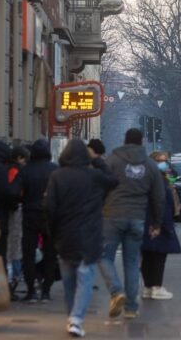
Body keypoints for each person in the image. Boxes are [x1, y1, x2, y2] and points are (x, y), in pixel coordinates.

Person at [45, 139, 118, 338]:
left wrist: (53, 233)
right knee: (85, 279)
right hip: (89, 236)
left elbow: (50, 208)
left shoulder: (57, 176)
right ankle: (76, 319)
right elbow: (113, 180)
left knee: (69, 281)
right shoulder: (93, 176)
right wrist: (98, 161)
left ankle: (72, 317)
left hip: (65, 237)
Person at [99, 129, 165, 320]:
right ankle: (131, 307)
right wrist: (157, 223)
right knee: (132, 262)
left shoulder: (112, 160)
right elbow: (158, 196)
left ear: (124, 140)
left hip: (112, 216)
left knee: (103, 257)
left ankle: (116, 291)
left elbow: (101, 186)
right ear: (142, 142)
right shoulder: (150, 165)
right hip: (137, 218)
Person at [20, 138, 59, 304]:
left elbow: (16, 191)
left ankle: (30, 290)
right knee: (51, 253)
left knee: (28, 253)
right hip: (50, 215)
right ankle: (46, 291)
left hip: (30, 214)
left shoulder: (26, 170)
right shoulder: (55, 170)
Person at [140, 156, 181, 300]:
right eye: (160, 160)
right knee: (158, 256)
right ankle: (156, 287)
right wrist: (159, 224)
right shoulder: (160, 181)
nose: (164, 163)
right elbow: (162, 202)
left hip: (146, 221)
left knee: (147, 255)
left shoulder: (145, 179)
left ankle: (148, 287)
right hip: (158, 222)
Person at [6, 145, 30, 301]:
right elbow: (15, 191)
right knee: (14, 247)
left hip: (11, 210)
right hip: (14, 211)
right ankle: (13, 278)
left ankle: (14, 277)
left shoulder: (9, 169)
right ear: (20, 158)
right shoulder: (15, 171)